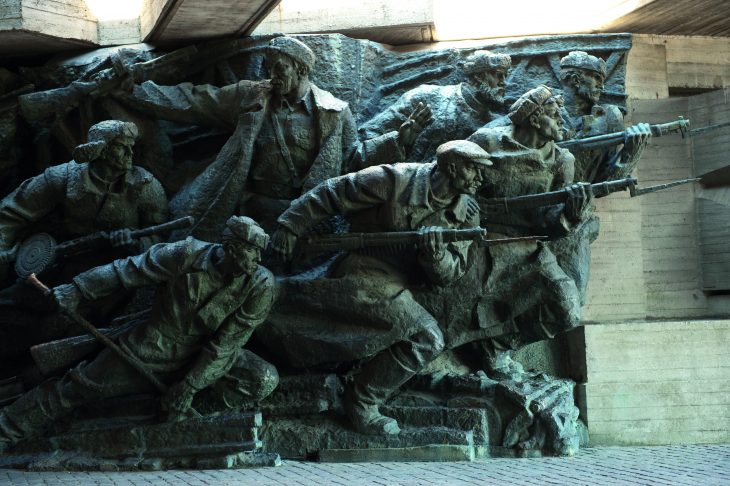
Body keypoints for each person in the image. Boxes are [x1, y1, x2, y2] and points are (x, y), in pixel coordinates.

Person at [270, 140, 491, 435]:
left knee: (433, 332)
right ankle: (362, 402)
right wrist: (291, 225)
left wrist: (434, 255)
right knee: (426, 338)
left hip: (405, 282)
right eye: (474, 169)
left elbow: (450, 274)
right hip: (363, 268)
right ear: (451, 167)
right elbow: (334, 192)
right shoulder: (397, 180)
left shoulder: (466, 214)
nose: (481, 178)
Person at [0, 216, 278, 451]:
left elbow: (226, 344)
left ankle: (175, 418)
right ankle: (6, 430)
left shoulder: (261, 283)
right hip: (151, 346)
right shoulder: (185, 254)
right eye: (252, 251)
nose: (258, 259)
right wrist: (76, 290)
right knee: (75, 389)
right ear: (230, 247)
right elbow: (127, 270)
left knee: (262, 378)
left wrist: (190, 386)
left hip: (209, 360)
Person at [116, 35, 429, 238]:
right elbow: (193, 100)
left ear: (300, 70)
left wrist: (397, 141)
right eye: (268, 68)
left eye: (279, 69)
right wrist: (132, 91)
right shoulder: (251, 97)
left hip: (305, 215)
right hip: (250, 209)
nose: (271, 76)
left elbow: (353, 161)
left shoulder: (334, 112)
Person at [0, 120, 169, 358]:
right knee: (8, 307)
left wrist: (135, 244)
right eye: (122, 147)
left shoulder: (145, 186)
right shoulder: (62, 177)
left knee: (59, 327)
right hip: (60, 259)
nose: (131, 153)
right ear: (101, 149)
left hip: (113, 274)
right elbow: (10, 213)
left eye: (131, 146)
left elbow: (160, 236)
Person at [466, 85, 594, 359]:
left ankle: (495, 347)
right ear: (535, 118)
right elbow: (456, 179)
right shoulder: (487, 141)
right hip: (478, 239)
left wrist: (570, 214)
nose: (562, 120)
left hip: (528, 247)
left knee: (567, 308)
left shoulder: (562, 160)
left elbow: (549, 224)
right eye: (554, 114)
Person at [359, 50, 511, 164]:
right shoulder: (425, 97)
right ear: (479, 76)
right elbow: (365, 138)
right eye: (499, 75)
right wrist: (400, 141)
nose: (504, 82)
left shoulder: (494, 126)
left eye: (506, 76)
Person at [559, 50, 651, 182]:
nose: (601, 86)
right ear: (575, 79)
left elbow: (606, 182)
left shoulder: (608, 118)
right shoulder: (544, 113)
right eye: (596, 78)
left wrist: (632, 152)